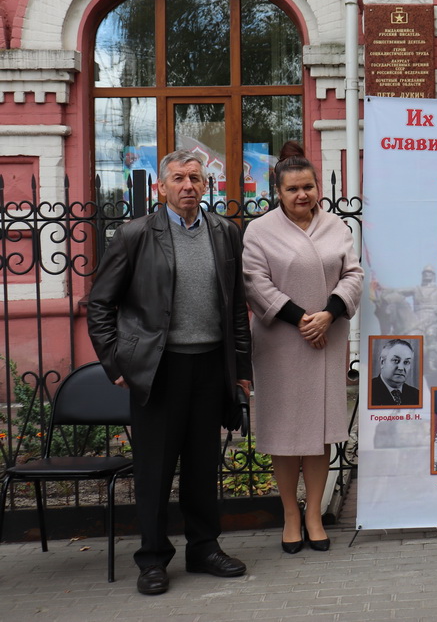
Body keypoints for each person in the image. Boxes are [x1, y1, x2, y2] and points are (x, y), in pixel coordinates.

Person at [86, 149, 253, 595]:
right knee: (155, 470)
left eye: (195, 178)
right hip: (158, 367)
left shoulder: (224, 233)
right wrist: (115, 361)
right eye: (178, 178)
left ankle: (204, 548)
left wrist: (241, 369)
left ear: (205, 185)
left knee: (202, 466)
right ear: (160, 187)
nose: (188, 186)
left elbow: (236, 306)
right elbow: (100, 304)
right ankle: (153, 559)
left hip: (210, 365)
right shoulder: (135, 235)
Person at [242, 142, 363, 554]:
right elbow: (255, 282)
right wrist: (300, 319)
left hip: (325, 340)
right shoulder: (259, 231)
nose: (302, 195)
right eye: (292, 189)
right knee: (284, 432)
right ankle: (290, 516)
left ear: (318, 188)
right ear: (277, 191)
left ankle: (313, 512)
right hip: (280, 341)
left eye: (308, 187)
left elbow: (353, 276)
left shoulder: (337, 228)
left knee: (320, 429)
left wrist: (327, 314)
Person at [370, 338, 420, 407]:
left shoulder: (416, 395)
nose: (401, 368)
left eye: (406, 362)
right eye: (396, 360)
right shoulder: (368, 390)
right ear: (382, 362)